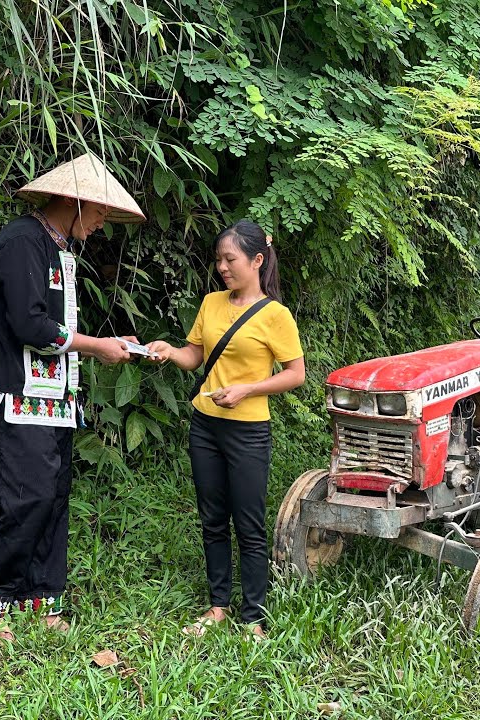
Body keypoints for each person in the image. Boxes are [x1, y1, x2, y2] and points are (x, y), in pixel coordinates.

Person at [0, 153, 145, 642]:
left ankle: (41, 599)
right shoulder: (22, 242)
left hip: (53, 402)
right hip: (14, 399)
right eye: (99, 210)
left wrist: (105, 344)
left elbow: (55, 327)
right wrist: (97, 346)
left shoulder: (58, 249)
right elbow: (31, 326)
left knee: (53, 499)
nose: (103, 221)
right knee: (25, 499)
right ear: (72, 200)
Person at [147, 219, 305, 640]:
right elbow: (194, 357)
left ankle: (253, 617)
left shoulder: (276, 315)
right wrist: (170, 351)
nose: (221, 267)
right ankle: (218, 606)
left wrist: (248, 389)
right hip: (205, 426)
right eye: (218, 259)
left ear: (257, 260)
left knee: (248, 523)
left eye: (230, 259)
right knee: (212, 518)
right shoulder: (211, 303)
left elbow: (296, 374)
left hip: (248, 431)